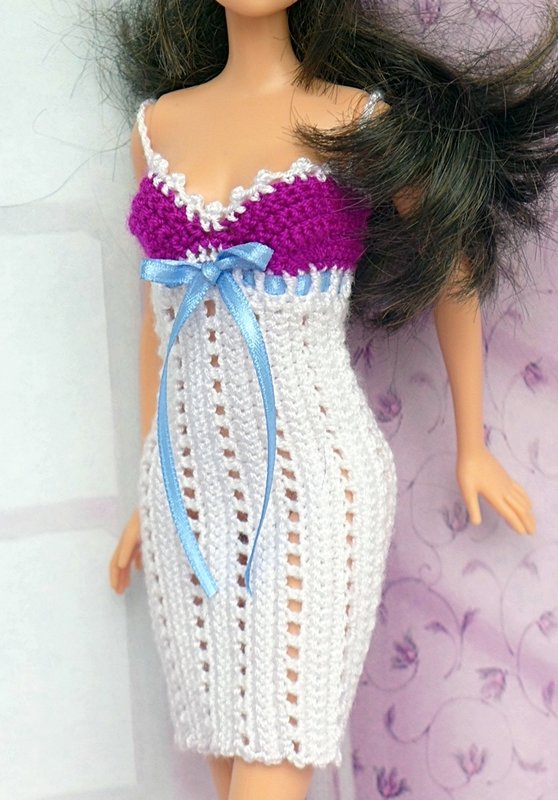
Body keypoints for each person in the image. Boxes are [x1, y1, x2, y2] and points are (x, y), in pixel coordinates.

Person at [99, 1, 557, 797]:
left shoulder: (355, 121)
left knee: (271, 760)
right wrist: (152, 481)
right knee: (223, 759)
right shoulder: (156, 129)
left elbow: (451, 262)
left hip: (311, 485)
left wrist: (472, 444)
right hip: (187, 500)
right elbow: (158, 319)